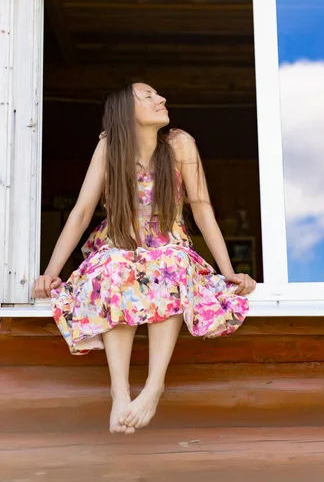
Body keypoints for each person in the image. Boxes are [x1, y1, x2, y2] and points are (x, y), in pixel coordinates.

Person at [33, 81, 256, 434]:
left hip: (169, 245)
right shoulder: (110, 146)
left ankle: (154, 386)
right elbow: (81, 211)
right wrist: (49, 272)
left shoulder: (180, 144)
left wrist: (228, 271)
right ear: (126, 111)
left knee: (170, 263)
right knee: (115, 267)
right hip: (119, 244)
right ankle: (119, 392)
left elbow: (202, 209)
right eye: (148, 96)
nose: (161, 99)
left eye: (158, 94)